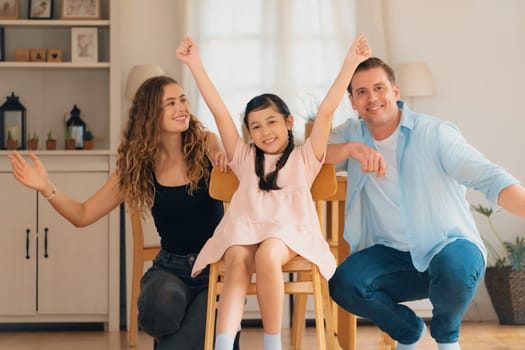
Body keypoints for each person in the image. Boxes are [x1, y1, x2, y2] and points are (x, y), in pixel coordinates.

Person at [8, 75, 241, 350]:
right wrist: (47, 188)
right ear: (151, 114)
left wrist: (225, 158)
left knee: (197, 331)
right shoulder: (139, 164)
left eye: (183, 100)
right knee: (159, 307)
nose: (181, 108)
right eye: (170, 103)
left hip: (214, 269)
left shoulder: (207, 145)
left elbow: (235, 162)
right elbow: (83, 214)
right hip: (170, 269)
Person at [176, 34, 370, 350]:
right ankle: (224, 343)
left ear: (289, 122)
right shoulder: (242, 157)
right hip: (244, 230)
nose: (265, 132)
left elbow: (325, 112)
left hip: (287, 233)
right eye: (256, 127)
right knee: (237, 257)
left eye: (271, 122)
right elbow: (220, 113)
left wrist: (351, 62)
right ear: (248, 132)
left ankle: (272, 342)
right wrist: (195, 64)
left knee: (267, 254)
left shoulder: (305, 157)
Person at [326, 57, 525, 350]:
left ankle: (447, 338)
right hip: (392, 257)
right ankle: (408, 332)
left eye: (379, 88)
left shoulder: (434, 133)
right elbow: (309, 154)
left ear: (395, 91)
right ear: (353, 101)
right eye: (361, 92)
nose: (372, 98)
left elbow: (490, 178)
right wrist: (351, 149)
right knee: (345, 283)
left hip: (447, 248)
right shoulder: (351, 134)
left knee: (455, 265)